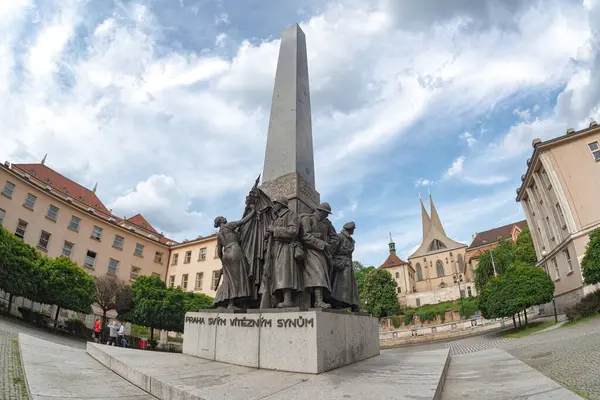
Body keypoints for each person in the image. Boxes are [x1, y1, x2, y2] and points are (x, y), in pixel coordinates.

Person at [212, 206, 256, 309]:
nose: (224, 217)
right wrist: (253, 211)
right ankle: (232, 304)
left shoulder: (219, 235)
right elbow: (243, 221)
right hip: (234, 250)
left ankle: (229, 302)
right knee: (237, 278)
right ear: (221, 221)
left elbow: (219, 251)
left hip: (226, 254)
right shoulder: (228, 226)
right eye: (222, 217)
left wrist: (223, 262)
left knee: (229, 280)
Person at [299, 202, 340, 308]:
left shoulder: (327, 223)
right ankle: (318, 301)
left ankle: (319, 300)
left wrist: (330, 246)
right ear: (320, 211)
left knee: (324, 275)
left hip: (324, 253)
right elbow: (305, 236)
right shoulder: (307, 219)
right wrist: (322, 243)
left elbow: (335, 238)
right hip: (311, 251)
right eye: (326, 213)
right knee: (318, 274)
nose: (327, 216)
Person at [265, 197, 303, 308]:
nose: (274, 207)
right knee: (276, 275)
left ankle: (288, 299)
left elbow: (293, 231)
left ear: (281, 205)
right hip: (275, 249)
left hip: (286, 247)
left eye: (275, 204)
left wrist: (275, 230)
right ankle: (277, 298)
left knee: (285, 273)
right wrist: (268, 234)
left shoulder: (291, 214)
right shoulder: (275, 219)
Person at [330, 221, 360, 311]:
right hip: (341, 264)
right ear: (350, 229)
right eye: (353, 229)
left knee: (350, 286)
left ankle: (354, 304)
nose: (353, 231)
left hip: (348, 264)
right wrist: (334, 261)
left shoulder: (350, 239)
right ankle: (338, 304)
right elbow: (331, 250)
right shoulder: (339, 236)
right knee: (340, 285)